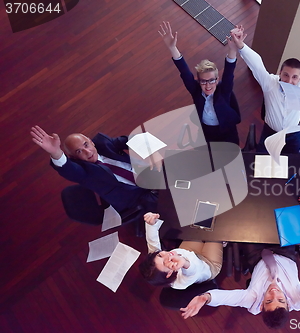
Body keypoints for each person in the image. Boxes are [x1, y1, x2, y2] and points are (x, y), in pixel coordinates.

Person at [179, 248, 300, 329]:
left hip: (257, 256)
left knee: (252, 219)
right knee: (283, 209)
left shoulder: (252, 300)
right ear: (288, 304)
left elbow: (228, 298)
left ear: (261, 306)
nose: (275, 293)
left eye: (269, 300)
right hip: (285, 252)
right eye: (281, 300)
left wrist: (205, 298)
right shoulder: (297, 298)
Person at [30, 125, 160, 221]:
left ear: (91, 142)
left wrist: (155, 149)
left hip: (150, 176)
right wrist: (55, 152)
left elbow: (132, 140)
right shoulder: (84, 173)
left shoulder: (105, 144)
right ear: (74, 157)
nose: (87, 152)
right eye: (79, 151)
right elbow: (68, 169)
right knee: (172, 205)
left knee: (176, 168)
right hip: (138, 199)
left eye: (86, 145)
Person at [158, 21, 241, 145]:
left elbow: (229, 72)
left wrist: (233, 49)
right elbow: (184, 72)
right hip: (206, 132)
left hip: (227, 132)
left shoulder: (224, 90)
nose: (207, 86)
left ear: (217, 80)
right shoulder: (196, 90)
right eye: (203, 81)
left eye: (211, 81)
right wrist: (172, 48)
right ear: (199, 81)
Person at [139, 212, 223, 289]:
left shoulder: (155, 261)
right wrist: (184, 263)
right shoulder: (179, 283)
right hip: (208, 264)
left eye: (160, 255)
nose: (167, 255)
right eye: (165, 263)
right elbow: (192, 272)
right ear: (169, 274)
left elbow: (152, 241)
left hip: (189, 250)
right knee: (216, 232)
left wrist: (151, 223)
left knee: (201, 222)